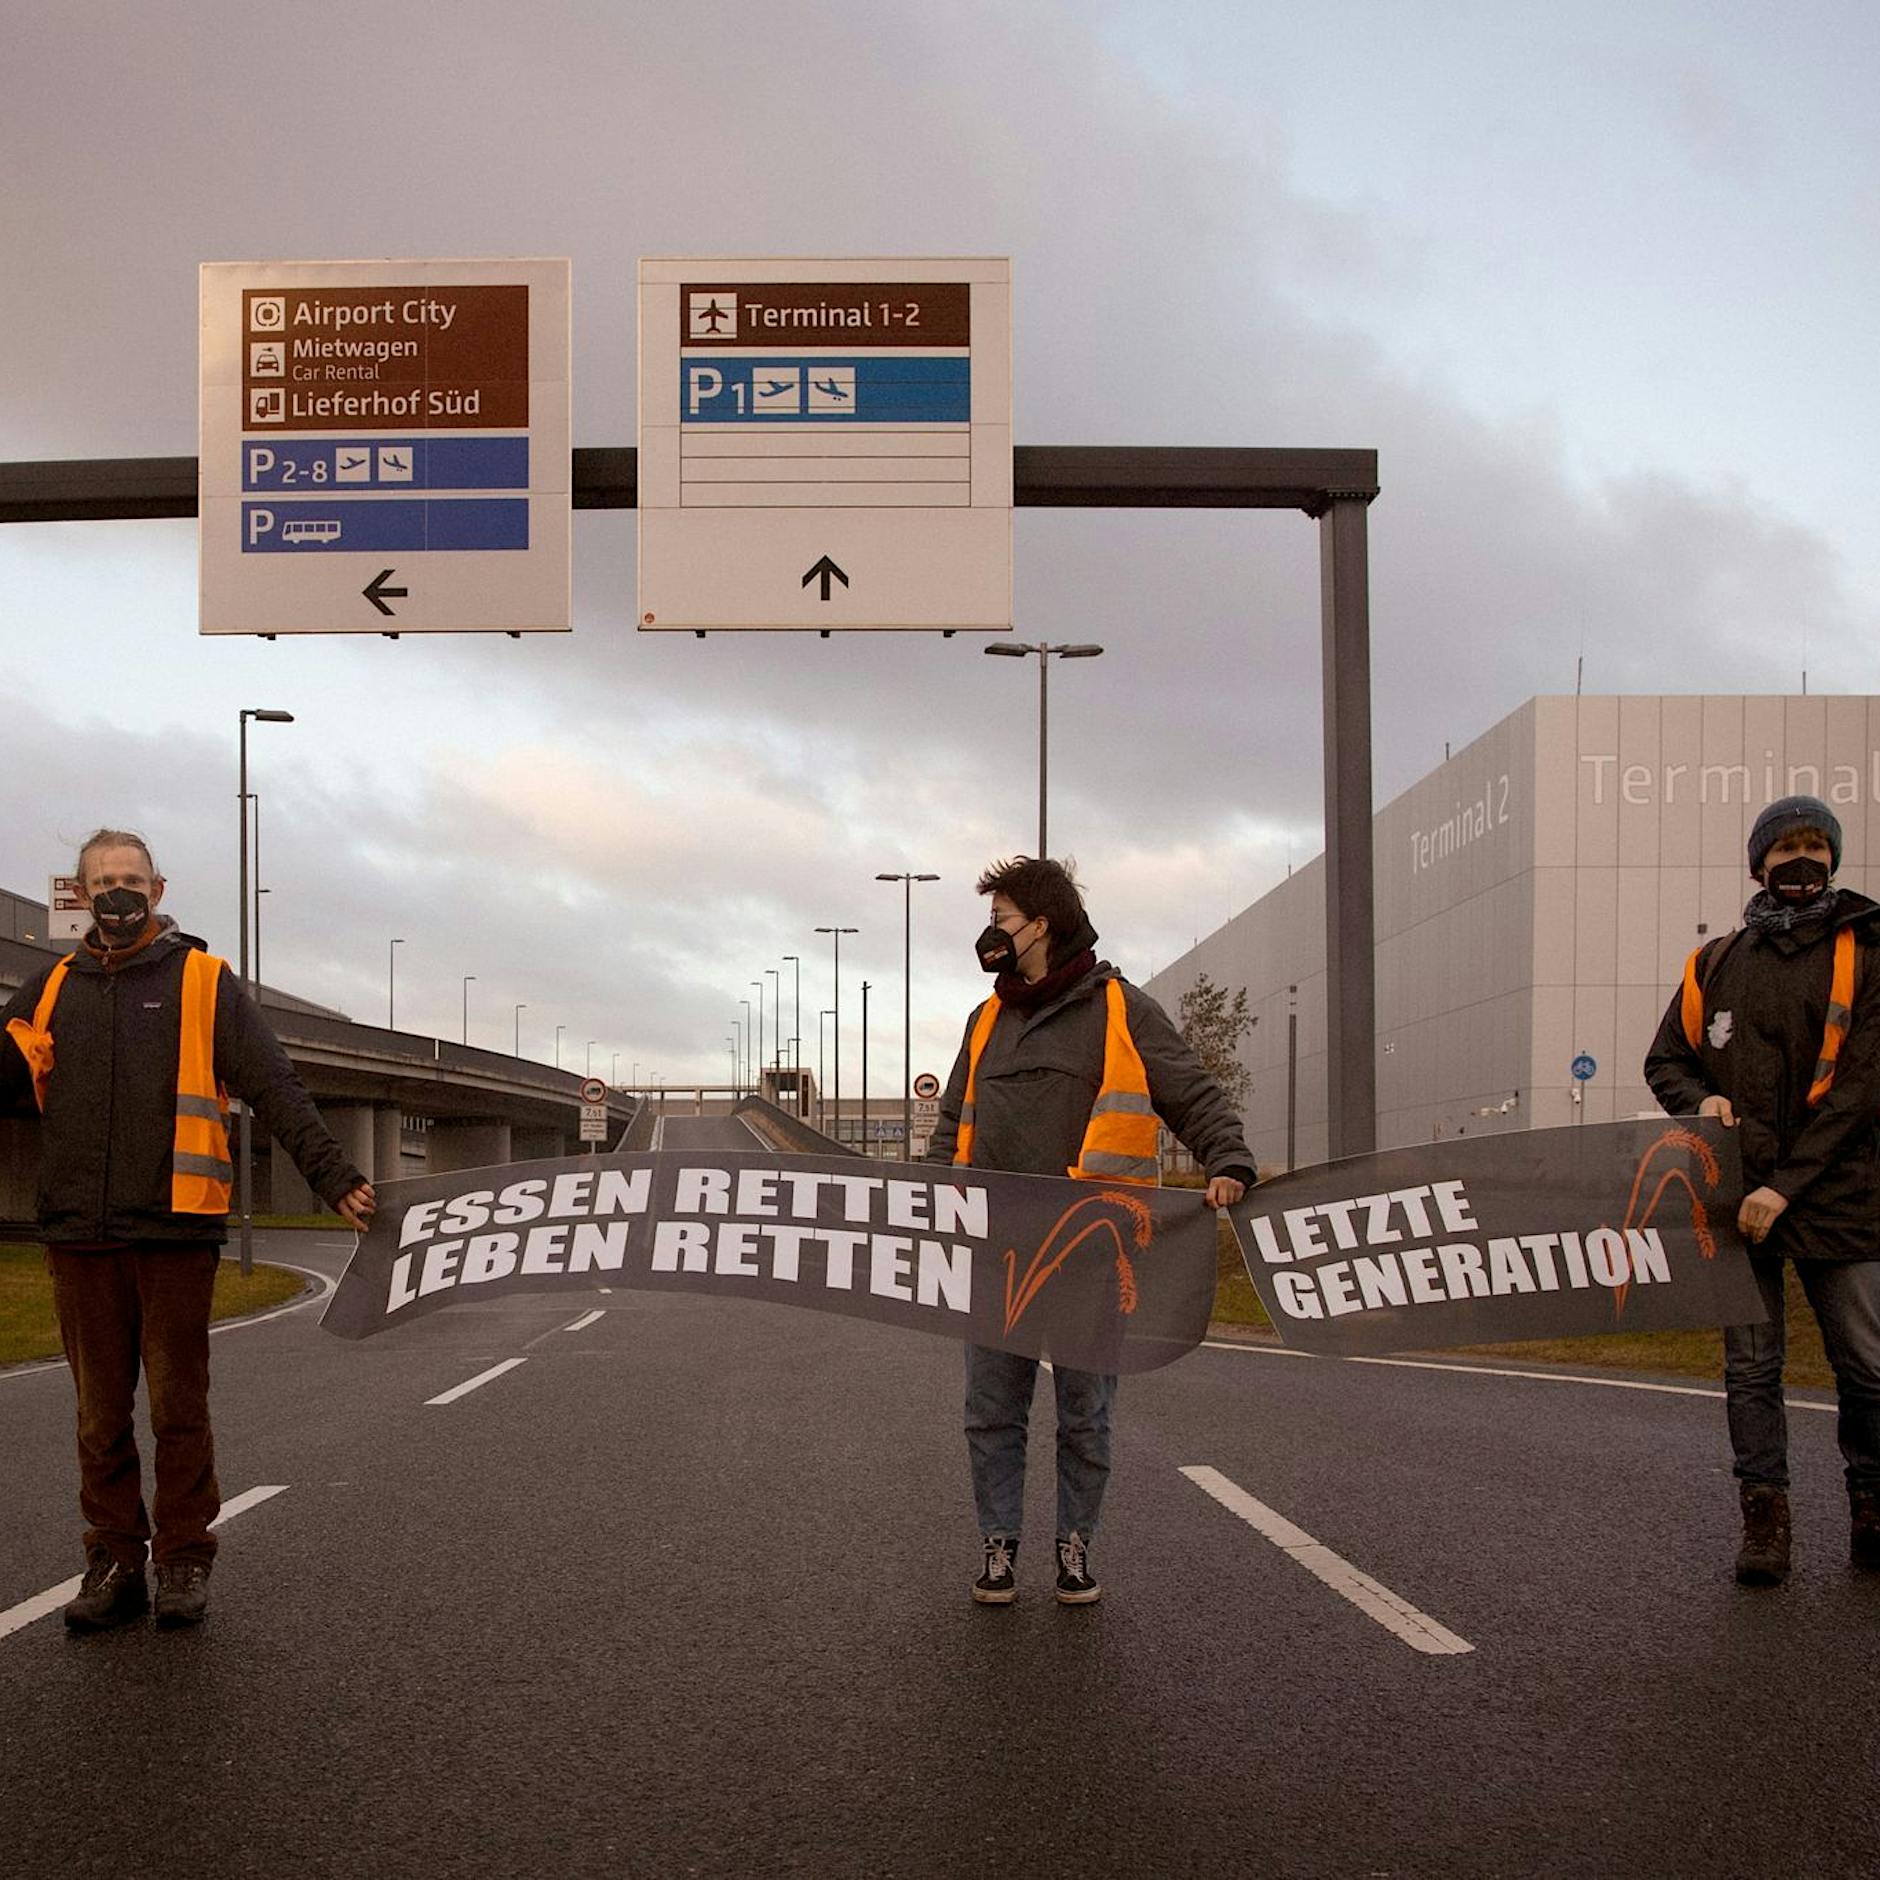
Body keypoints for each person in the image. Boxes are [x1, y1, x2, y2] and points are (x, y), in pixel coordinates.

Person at [0, 830, 375, 1630]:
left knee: (177, 1408)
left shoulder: (204, 982)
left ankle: (181, 1561)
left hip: (176, 1232)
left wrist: (335, 1179)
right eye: (102, 881)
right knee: (99, 1415)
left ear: (159, 890)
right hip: (80, 1235)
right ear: (81, 892)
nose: (116, 892)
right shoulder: (48, 987)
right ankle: (111, 1562)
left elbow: (276, 1086)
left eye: (130, 879)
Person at [924, 857, 1256, 1606]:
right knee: (991, 1414)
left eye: (1003, 920)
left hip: (1091, 1259)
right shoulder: (985, 1023)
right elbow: (952, 1126)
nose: (991, 935)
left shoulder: (1120, 1010)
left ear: (1041, 926)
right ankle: (999, 1547)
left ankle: (1074, 1547)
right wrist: (933, 1192)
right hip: (997, 1254)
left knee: (1086, 1416)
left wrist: (1228, 1159)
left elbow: (1192, 1092)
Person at [1644, 795, 1880, 1585]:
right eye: (1786, 850)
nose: (1801, 863)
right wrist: (1696, 1102)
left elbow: (1861, 1090)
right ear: (1758, 864)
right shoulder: (1714, 963)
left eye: (1816, 847)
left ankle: (1872, 1511)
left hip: (1842, 1198)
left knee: (1868, 1366)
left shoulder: (1868, 949)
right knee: (1751, 1371)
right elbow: (1667, 1060)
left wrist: (1785, 1188)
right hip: (1736, 1205)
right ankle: (1765, 1523)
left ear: (1835, 860)